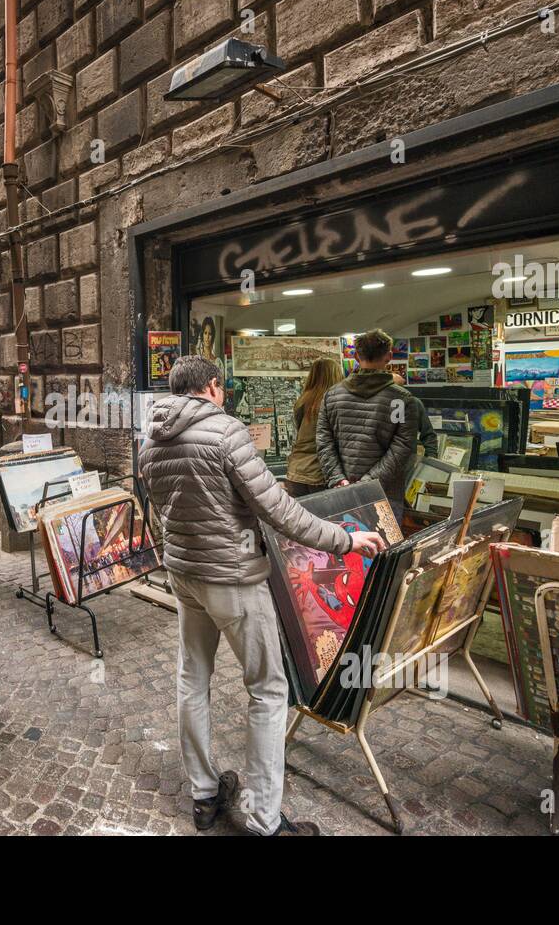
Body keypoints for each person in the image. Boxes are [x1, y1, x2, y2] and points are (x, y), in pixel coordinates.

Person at [139, 355, 385, 837]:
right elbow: (278, 509)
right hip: (232, 579)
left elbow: (162, 511)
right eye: (222, 387)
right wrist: (345, 539)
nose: (224, 394)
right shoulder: (227, 431)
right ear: (212, 386)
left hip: (185, 575)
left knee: (193, 679)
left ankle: (205, 795)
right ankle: (264, 820)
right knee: (269, 691)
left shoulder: (151, 439)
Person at [316, 329, 420, 520]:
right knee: (386, 548)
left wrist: (338, 479)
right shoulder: (401, 399)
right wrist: (368, 483)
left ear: (356, 356)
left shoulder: (332, 395)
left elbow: (324, 442)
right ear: (389, 356)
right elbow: (403, 447)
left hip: (342, 492)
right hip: (384, 493)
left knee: (346, 544)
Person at [286, 358, 344, 497]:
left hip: (296, 471)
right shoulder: (334, 401)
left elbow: (296, 437)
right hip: (320, 473)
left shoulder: (302, 400)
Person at [389, 372, 439, 461]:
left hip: (406, 462)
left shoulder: (414, 403)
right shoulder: (380, 403)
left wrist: (431, 460)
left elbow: (428, 434)